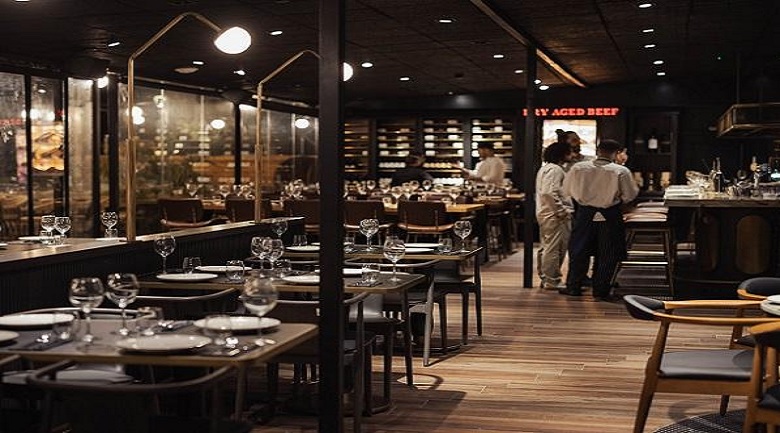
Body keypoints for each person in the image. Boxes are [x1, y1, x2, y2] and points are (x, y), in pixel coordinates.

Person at [561, 139, 639, 301]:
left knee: (579, 250)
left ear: (598, 151)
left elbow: (566, 190)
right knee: (608, 252)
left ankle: (574, 286)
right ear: (616, 153)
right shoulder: (620, 171)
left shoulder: (578, 168)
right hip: (610, 213)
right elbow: (629, 195)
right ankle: (601, 290)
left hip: (584, 213)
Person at [535, 141, 574, 290]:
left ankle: (545, 278)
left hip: (546, 213)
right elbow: (549, 192)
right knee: (554, 248)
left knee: (546, 247)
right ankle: (553, 280)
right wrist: (561, 211)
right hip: (554, 215)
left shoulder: (546, 168)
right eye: (569, 152)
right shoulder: (556, 169)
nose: (572, 155)